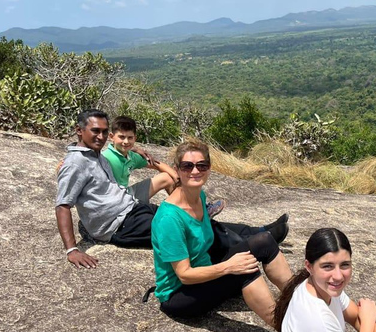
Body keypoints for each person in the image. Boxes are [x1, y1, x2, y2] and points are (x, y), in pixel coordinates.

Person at [56, 109, 284, 269]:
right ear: (79, 131)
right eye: (96, 131)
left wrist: (140, 153)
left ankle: (257, 230)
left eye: (105, 131)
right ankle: (256, 244)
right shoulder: (76, 163)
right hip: (119, 225)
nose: (102, 136)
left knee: (193, 218)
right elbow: (63, 205)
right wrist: (71, 249)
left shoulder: (97, 155)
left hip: (133, 210)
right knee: (188, 232)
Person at [152, 138, 292, 327]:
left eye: (202, 165)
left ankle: (298, 299)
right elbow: (184, 274)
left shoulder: (199, 196)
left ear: (209, 169)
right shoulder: (169, 218)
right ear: (176, 170)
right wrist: (229, 267)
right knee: (243, 269)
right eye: (187, 166)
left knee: (265, 241)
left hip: (206, 273)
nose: (195, 171)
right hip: (180, 294)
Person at [101, 115, 225, 217]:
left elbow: (157, 165)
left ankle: (192, 210)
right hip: (116, 203)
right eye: (121, 137)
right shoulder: (105, 157)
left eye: (130, 138)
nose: (126, 141)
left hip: (127, 194)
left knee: (167, 177)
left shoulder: (131, 156)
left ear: (135, 138)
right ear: (112, 137)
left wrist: (178, 179)